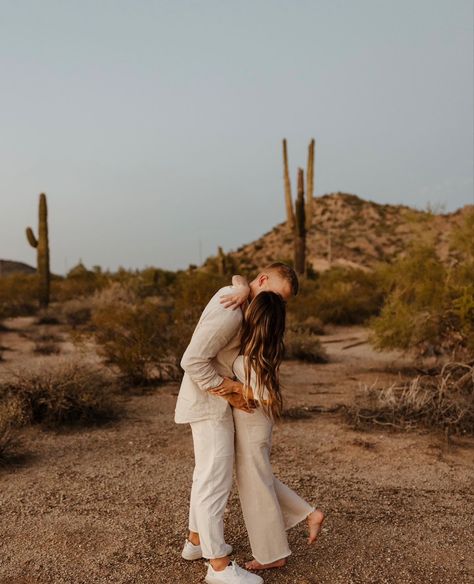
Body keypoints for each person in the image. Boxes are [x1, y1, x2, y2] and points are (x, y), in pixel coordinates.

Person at [174, 263, 298, 584]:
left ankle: (196, 541)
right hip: (209, 404)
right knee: (214, 482)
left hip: (213, 404)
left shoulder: (241, 299)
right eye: (275, 296)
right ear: (263, 280)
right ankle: (218, 566)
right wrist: (231, 391)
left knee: (206, 474)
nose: (277, 306)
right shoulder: (231, 312)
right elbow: (191, 360)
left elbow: (239, 283)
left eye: (282, 302)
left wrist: (242, 287)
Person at [209, 290, 325, 571]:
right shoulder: (260, 350)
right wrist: (239, 289)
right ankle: (309, 513)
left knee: (256, 488)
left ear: (255, 319)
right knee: (260, 481)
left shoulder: (253, 357)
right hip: (253, 426)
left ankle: (272, 554)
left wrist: (235, 387)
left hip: (253, 428)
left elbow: (268, 396)